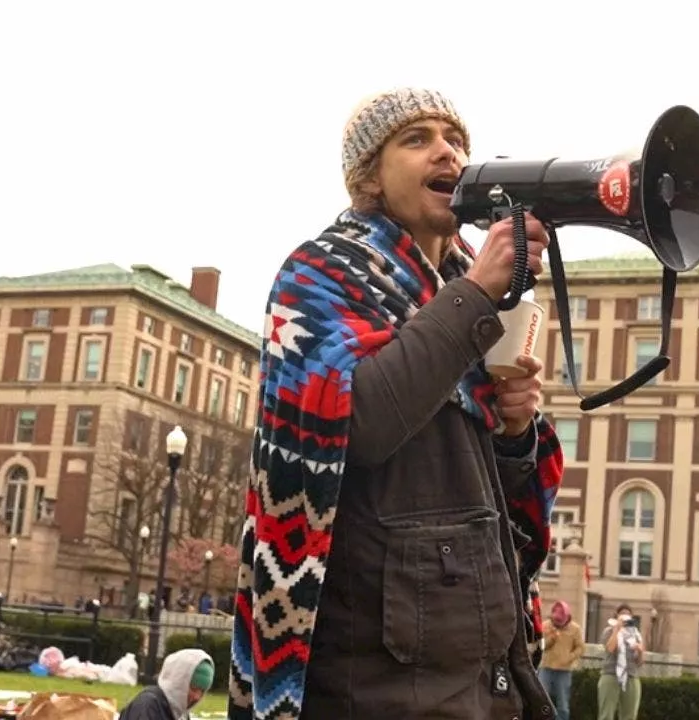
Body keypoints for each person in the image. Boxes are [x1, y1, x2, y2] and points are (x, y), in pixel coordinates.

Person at [228, 87, 565, 720]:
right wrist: (472, 294)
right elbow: (363, 424)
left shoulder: (465, 294)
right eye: (417, 140)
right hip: (375, 681)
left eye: (455, 140)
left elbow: (480, 491)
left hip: (477, 672)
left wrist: (515, 430)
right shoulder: (318, 274)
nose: (447, 151)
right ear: (369, 181)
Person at [119, 648, 214, 720]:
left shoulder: (179, 712)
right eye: (193, 689)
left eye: (202, 691)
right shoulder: (148, 706)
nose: (197, 697)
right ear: (178, 682)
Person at [539, 600, 585, 720]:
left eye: (560, 620)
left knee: (563, 705)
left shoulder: (575, 629)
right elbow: (541, 646)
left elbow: (580, 648)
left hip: (564, 671)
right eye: (555, 620)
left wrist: (569, 657)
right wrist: (552, 638)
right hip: (546, 667)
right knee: (541, 699)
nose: (557, 622)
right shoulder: (546, 626)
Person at [598, 604, 644, 720]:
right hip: (611, 674)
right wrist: (616, 630)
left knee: (629, 715)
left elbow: (639, 662)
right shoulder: (609, 631)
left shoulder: (636, 634)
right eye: (622, 613)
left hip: (631, 675)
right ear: (616, 616)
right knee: (606, 714)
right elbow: (610, 648)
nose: (625, 617)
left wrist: (640, 650)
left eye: (628, 614)